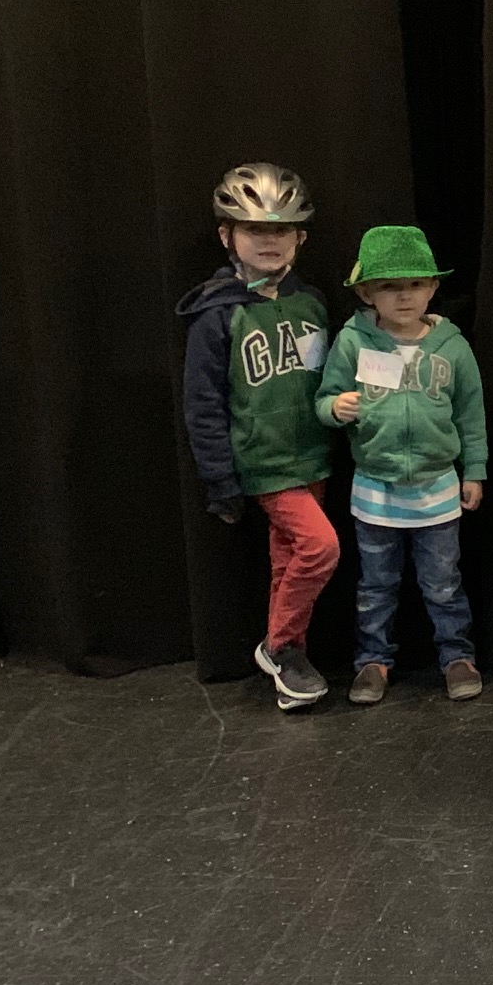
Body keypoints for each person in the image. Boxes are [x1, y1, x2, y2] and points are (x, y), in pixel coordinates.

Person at [176, 163, 338, 712]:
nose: (269, 241)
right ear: (228, 236)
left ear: (300, 238)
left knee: (286, 561)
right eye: (255, 230)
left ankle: (290, 670)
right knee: (320, 547)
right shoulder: (215, 316)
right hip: (265, 463)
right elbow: (202, 407)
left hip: (313, 455)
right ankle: (278, 647)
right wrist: (219, 480)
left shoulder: (313, 303)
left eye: (281, 230)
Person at [314, 226, 488, 705]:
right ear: (367, 292)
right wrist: (335, 408)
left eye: (415, 284)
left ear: (433, 288)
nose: (404, 295)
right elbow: (324, 398)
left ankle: (456, 656)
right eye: (390, 285)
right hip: (374, 490)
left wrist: (474, 471)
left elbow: (471, 413)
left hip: (438, 490)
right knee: (375, 586)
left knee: (444, 584)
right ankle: (373, 660)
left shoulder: (452, 346)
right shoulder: (353, 341)